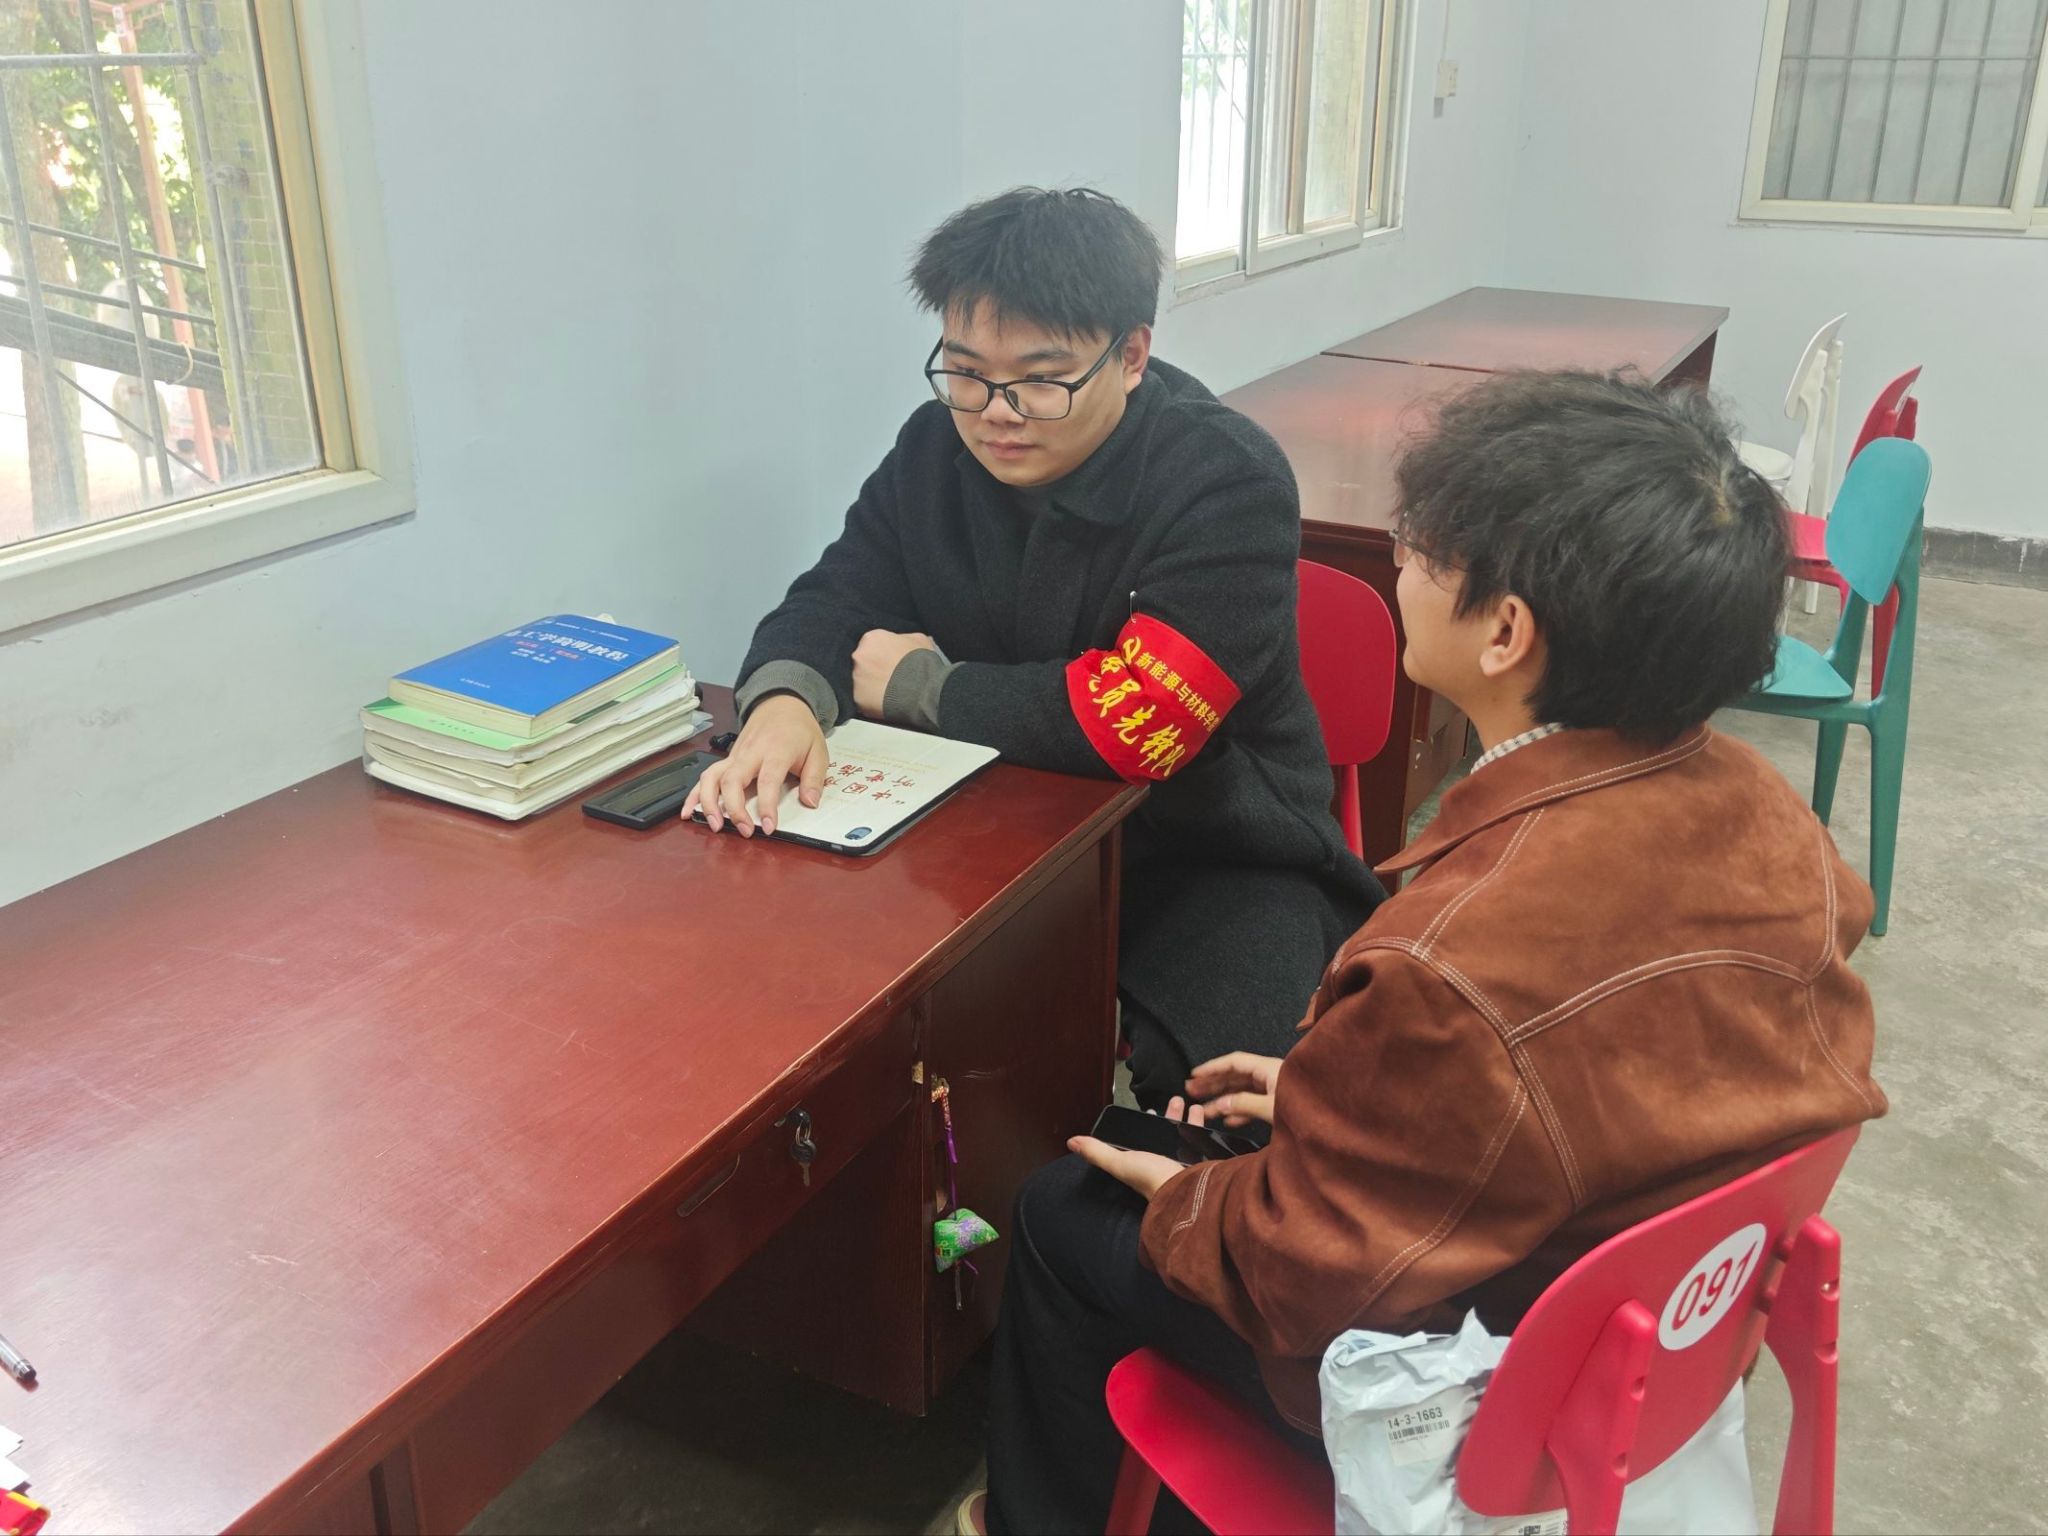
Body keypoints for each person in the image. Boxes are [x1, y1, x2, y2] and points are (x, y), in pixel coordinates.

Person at [961, 370, 1888, 1535]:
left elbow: (1299, 1277)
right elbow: (1622, 1069)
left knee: (1065, 1209)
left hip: (1478, 1390)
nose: (1400, 563)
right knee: (1210, 1133)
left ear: (1504, 633)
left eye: (1420, 548)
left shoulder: (1448, 959)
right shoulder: (1771, 817)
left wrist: (1191, 1207)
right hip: (1657, 1337)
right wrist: (1337, 1098)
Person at [684, 187, 1382, 1104]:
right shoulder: (934, 449)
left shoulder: (1225, 477)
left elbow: (1140, 724)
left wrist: (925, 687)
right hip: (984, 825)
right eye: (966, 373)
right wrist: (782, 701)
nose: (996, 413)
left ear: (1131, 356)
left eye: (1042, 380)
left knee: (1228, 1101)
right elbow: (836, 595)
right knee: (833, 1027)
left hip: (1205, 847)